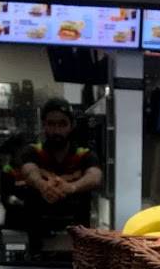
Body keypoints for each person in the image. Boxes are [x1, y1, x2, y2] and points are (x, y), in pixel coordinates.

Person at [13, 98, 102, 249]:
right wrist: (42, 186)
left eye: (62, 124)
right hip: (38, 239)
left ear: (71, 125)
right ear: (44, 125)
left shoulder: (84, 154)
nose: (56, 130)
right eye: (51, 124)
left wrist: (72, 187)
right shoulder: (33, 151)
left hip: (78, 240)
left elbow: (95, 176)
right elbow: (28, 170)